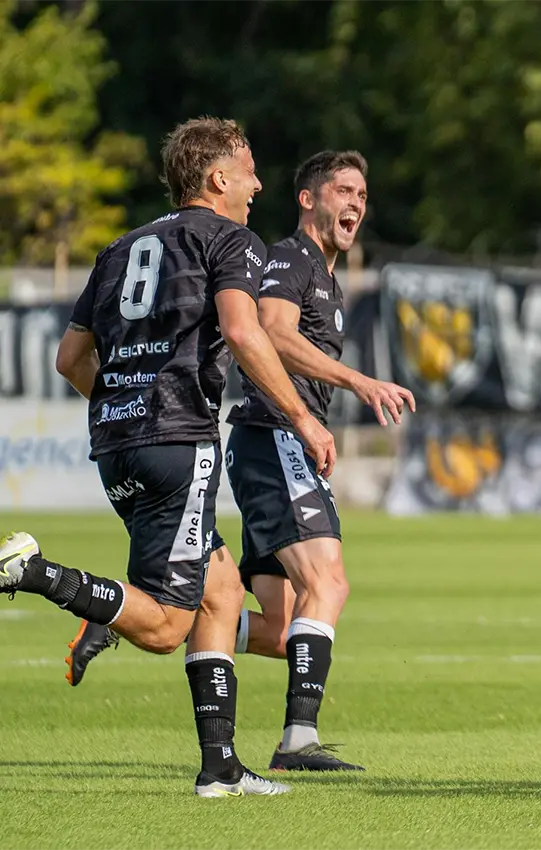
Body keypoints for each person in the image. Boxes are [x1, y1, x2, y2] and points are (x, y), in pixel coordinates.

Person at [2, 117, 336, 797]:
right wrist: (302, 417)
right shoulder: (230, 240)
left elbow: (70, 358)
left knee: (218, 590)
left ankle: (220, 768)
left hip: (116, 442)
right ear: (218, 179)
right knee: (162, 626)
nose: (258, 185)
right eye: (248, 171)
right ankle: (36, 572)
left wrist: (126, 399)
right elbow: (243, 332)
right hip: (179, 443)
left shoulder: (121, 247)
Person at [65, 151, 414, 773]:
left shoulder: (324, 274)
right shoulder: (288, 257)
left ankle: (121, 614)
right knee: (329, 583)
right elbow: (270, 330)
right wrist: (356, 385)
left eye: (363, 193)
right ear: (308, 199)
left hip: (254, 441)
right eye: (342, 190)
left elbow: (73, 357)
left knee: (278, 630)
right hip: (273, 433)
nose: (355, 203)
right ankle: (298, 741)